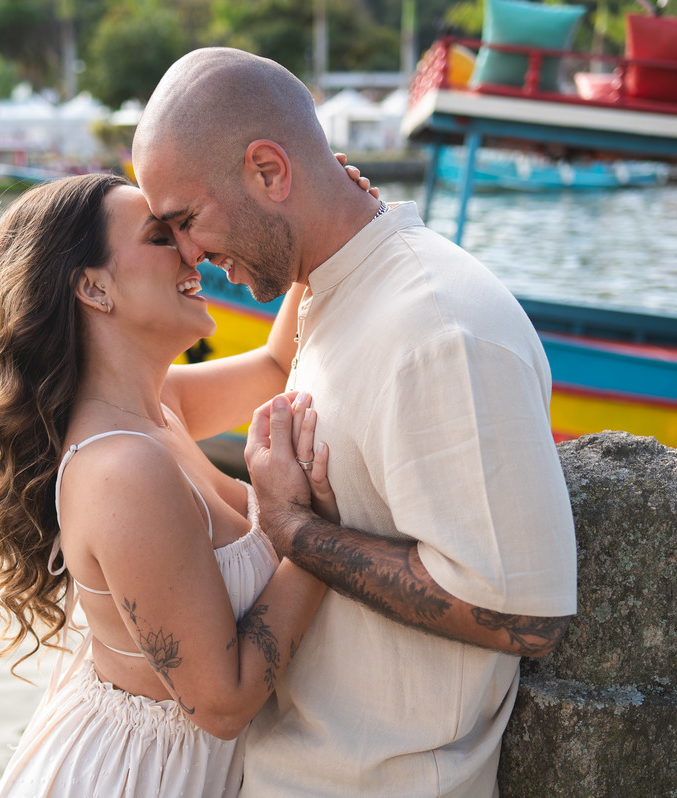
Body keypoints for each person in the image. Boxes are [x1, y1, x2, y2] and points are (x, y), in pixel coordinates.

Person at [133, 48, 579, 797]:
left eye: (186, 220)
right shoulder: (333, 289)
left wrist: (298, 532)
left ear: (270, 171)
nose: (187, 255)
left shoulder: (439, 333)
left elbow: (526, 616)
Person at [0, 172, 351, 797]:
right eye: (162, 238)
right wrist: (310, 536)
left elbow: (277, 366)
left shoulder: (158, 407)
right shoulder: (123, 470)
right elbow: (223, 703)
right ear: (94, 287)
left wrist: (312, 217)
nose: (194, 252)